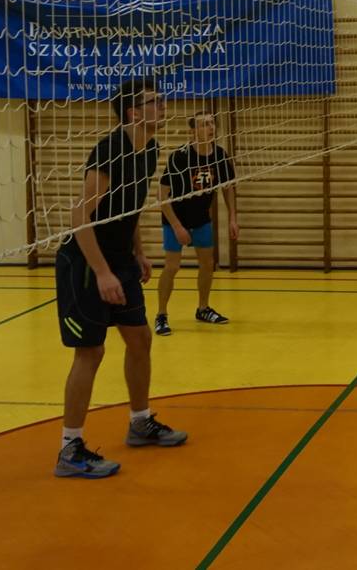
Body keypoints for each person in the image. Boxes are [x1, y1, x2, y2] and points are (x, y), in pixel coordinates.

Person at [54, 78, 188, 480]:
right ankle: (69, 448)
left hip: (120, 258)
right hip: (84, 262)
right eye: (154, 101)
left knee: (140, 338)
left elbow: (129, 207)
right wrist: (101, 272)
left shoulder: (150, 148)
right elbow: (80, 215)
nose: (163, 106)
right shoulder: (110, 149)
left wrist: (138, 251)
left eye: (161, 99)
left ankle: (140, 422)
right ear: (133, 112)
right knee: (91, 352)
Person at [153, 111, 239, 336]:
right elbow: (161, 196)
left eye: (211, 123)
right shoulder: (180, 157)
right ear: (192, 131)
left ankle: (203, 308)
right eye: (204, 124)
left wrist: (232, 217)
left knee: (207, 264)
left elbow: (228, 187)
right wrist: (177, 227)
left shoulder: (219, 156)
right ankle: (161, 315)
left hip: (201, 219)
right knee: (172, 267)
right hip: (175, 219)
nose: (210, 128)